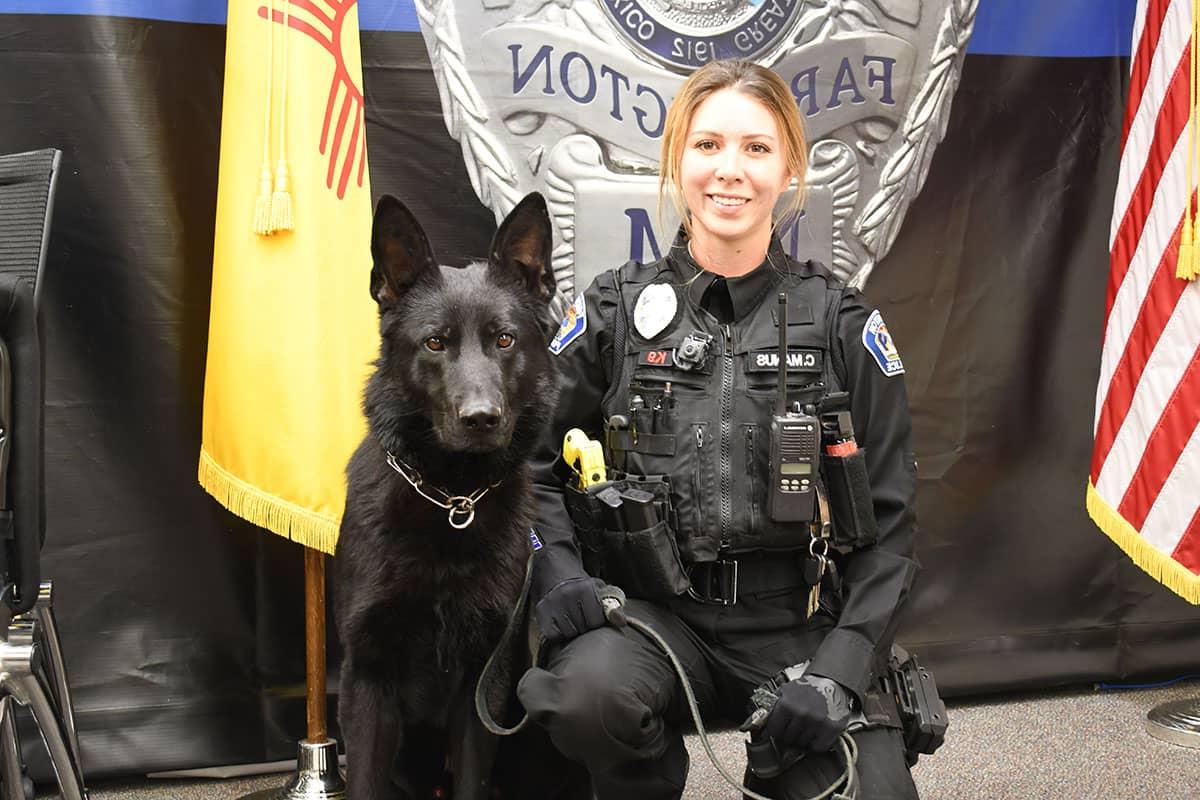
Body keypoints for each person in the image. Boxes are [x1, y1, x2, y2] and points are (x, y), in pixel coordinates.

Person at [517, 58, 922, 800]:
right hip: (650, 623)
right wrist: (559, 571)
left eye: (756, 148)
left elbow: (891, 529)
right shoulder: (612, 313)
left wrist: (840, 671)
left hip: (797, 623)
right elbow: (526, 460)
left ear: (790, 167)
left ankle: (788, 763)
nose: (728, 171)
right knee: (587, 698)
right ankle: (639, 776)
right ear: (677, 160)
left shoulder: (842, 324)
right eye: (707, 146)